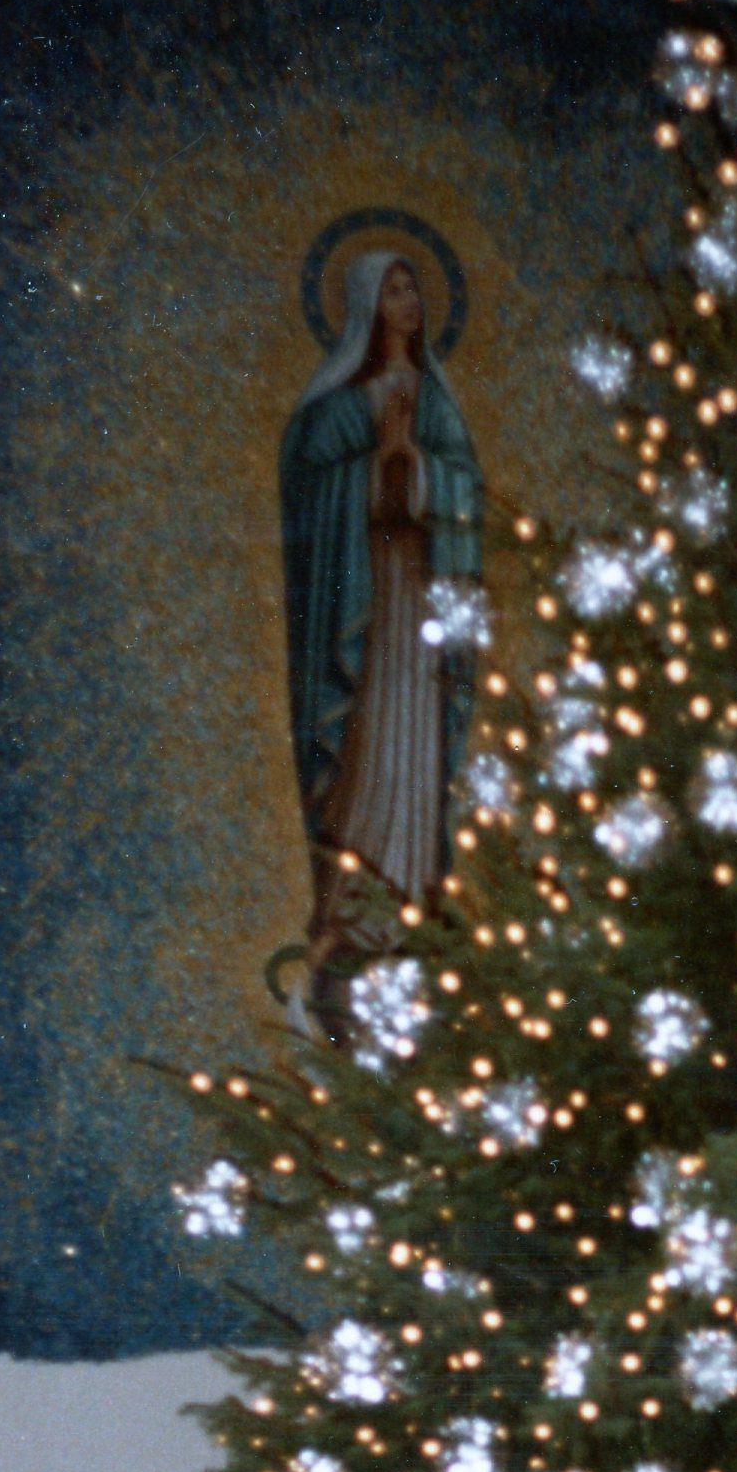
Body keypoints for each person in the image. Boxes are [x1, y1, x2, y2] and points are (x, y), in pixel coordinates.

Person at [279, 248, 485, 1036]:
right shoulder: (333, 410)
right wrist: (375, 469)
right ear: (366, 305)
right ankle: (352, 926)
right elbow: (307, 495)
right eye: (394, 288)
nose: (409, 299)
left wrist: (416, 468)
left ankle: (413, 911)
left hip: (420, 612)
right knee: (366, 753)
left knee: (418, 750)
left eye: (414, 286)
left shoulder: (436, 404)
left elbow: (465, 493)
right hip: (362, 619)